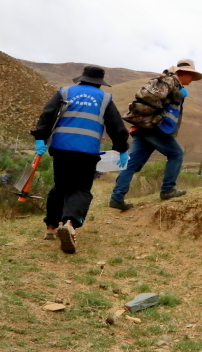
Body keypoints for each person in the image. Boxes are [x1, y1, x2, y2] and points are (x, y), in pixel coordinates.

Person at [31, 65, 130, 254]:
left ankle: (51, 227)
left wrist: (40, 138)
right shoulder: (105, 98)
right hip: (87, 151)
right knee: (81, 189)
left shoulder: (65, 92)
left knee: (60, 187)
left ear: (82, 79)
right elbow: (115, 125)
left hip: (61, 148)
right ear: (100, 83)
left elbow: (48, 114)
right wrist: (122, 148)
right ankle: (69, 223)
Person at [109, 59, 202, 209]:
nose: (192, 79)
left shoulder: (168, 82)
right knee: (176, 153)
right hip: (154, 127)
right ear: (183, 73)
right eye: (191, 75)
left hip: (143, 126)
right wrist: (177, 94)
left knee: (132, 164)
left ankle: (116, 198)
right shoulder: (170, 81)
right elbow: (158, 98)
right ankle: (167, 190)